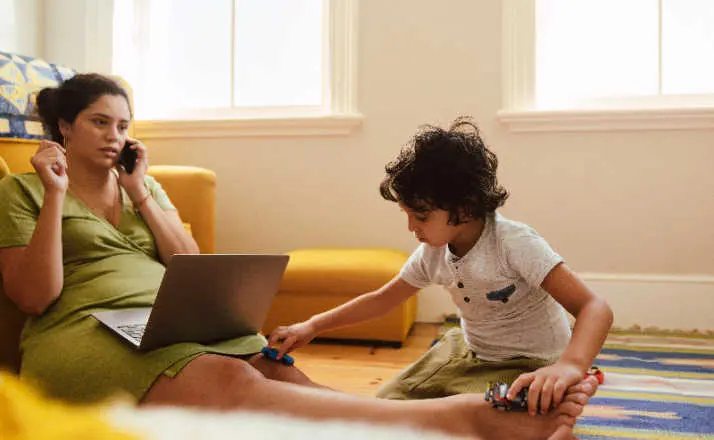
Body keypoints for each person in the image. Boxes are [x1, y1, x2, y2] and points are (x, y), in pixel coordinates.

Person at [0, 75, 596, 440]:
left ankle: (418, 430)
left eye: (123, 124)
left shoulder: (143, 187)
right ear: (62, 126)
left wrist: (139, 193)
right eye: (99, 122)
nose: (115, 136)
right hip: (83, 330)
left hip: (161, 317)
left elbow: (183, 259)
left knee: (278, 370)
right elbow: (34, 296)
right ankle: (468, 422)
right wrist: (54, 194)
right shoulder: (21, 191)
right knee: (231, 378)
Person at [269, 117, 613, 416]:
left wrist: (570, 365)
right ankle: (536, 412)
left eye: (420, 216)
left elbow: (594, 308)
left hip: (532, 362)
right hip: (469, 351)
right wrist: (311, 326)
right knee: (388, 403)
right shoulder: (433, 250)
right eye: (407, 215)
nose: (411, 228)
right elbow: (383, 299)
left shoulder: (513, 242)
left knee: (479, 415)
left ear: (463, 208)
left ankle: (563, 394)